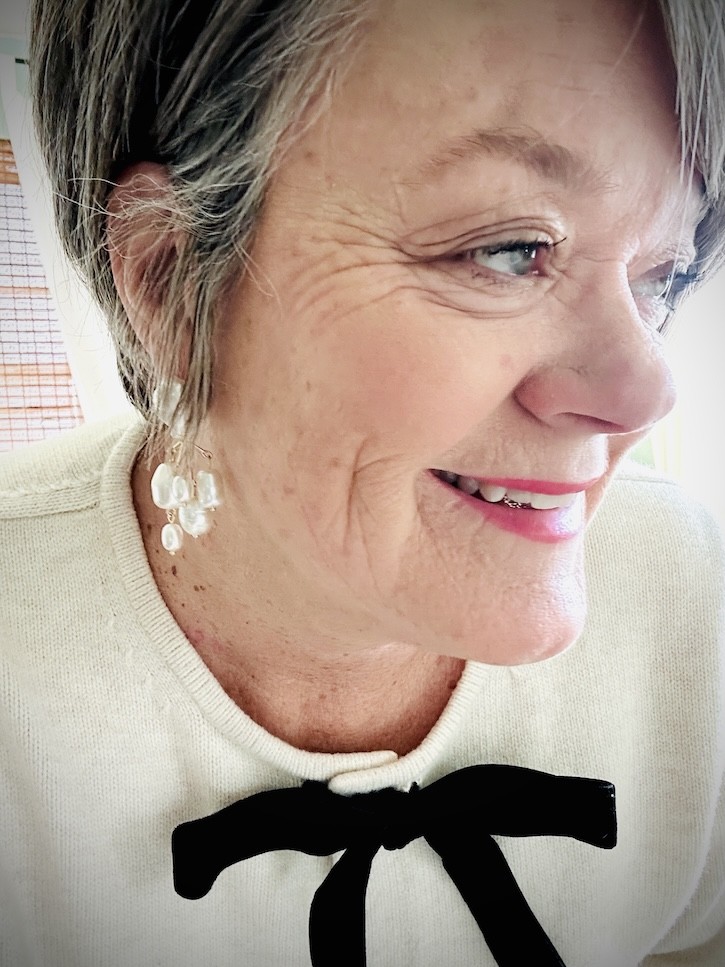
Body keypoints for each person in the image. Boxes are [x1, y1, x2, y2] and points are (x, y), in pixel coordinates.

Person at [1, 0, 724, 964]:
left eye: (659, 276)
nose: (644, 394)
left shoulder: (691, 598)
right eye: (509, 249)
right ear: (169, 278)